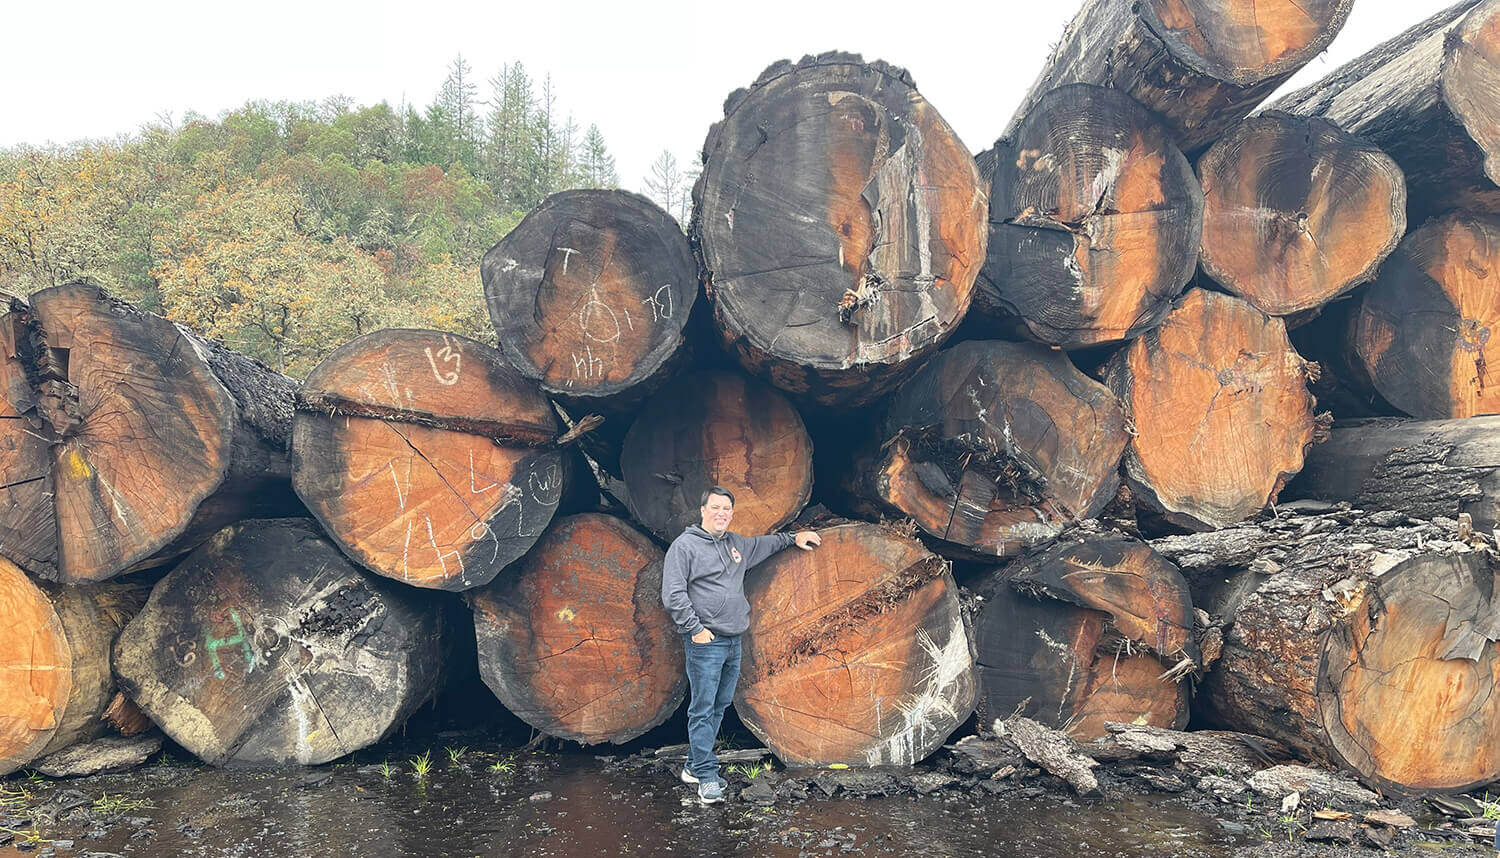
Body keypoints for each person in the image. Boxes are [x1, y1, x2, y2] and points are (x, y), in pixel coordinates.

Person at [660, 485, 821, 804]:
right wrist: (695, 628)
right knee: (703, 707)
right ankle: (706, 776)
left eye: (727, 509)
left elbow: (766, 544)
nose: (721, 513)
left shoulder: (736, 544)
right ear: (703, 510)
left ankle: (693, 765)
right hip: (706, 641)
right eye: (715, 507)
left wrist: (793, 538)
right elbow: (673, 593)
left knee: (719, 704)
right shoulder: (685, 547)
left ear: (732, 514)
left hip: (734, 639)